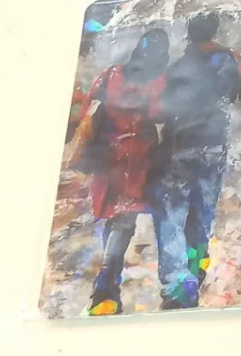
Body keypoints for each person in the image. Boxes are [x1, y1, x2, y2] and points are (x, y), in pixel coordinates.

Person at [69, 28, 169, 316]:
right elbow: (159, 113)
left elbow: (88, 108)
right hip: (137, 159)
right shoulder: (157, 81)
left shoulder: (111, 74)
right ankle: (105, 288)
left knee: (114, 219)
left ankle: (108, 286)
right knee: (124, 222)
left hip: (107, 156)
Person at [150, 12, 241, 309]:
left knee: (173, 215)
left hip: (179, 146)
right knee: (202, 213)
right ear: (213, 30)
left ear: (189, 33)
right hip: (212, 146)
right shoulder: (225, 61)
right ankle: (196, 269)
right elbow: (233, 93)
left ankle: (178, 285)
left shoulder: (176, 68)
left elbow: (161, 111)